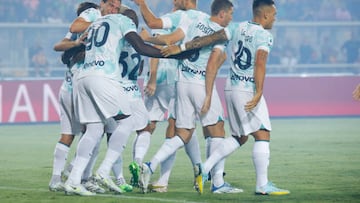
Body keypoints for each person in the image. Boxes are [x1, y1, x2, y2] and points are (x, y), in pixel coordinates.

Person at [164, 0, 291, 196]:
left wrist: (181, 48)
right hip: (247, 89)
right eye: (274, 15)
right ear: (265, 15)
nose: (275, 18)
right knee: (263, 133)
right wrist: (258, 92)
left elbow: (208, 39)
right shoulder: (265, 35)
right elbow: (260, 63)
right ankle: (262, 185)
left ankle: (204, 170)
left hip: (231, 88)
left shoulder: (236, 27)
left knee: (239, 137)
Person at [64, 3, 192, 196]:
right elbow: (141, 47)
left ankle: (73, 179)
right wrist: (176, 54)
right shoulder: (123, 21)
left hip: (83, 76)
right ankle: (104, 171)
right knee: (128, 121)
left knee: (95, 129)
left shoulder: (97, 23)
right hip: (103, 77)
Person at [138, 0, 242, 194]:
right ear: (221, 14)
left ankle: (150, 166)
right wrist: (209, 95)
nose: (231, 18)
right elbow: (211, 64)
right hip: (201, 84)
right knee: (217, 130)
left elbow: (171, 38)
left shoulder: (189, 18)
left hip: (181, 82)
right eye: (230, 14)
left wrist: (149, 40)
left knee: (183, 133)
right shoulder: (219, 33)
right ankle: (216, 181)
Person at [132, 0, 203, 193]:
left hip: (167, 80)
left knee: (153, 126)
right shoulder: (200, 20)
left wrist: (152, 78)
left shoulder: (176, 18)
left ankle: (143, 168)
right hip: (182, 79)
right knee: (182, 128)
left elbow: (156, 43)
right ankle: (196, 169)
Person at [49, 1, 105, 194]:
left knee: (69, 134)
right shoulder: (96, 20)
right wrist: (76, 45)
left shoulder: (80, 33)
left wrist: (74, 44)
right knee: (95, 131)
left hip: (68, 87)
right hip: (79, 88)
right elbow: (61, 47)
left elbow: (59, 46)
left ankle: (56, 179)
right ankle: (79, 175)